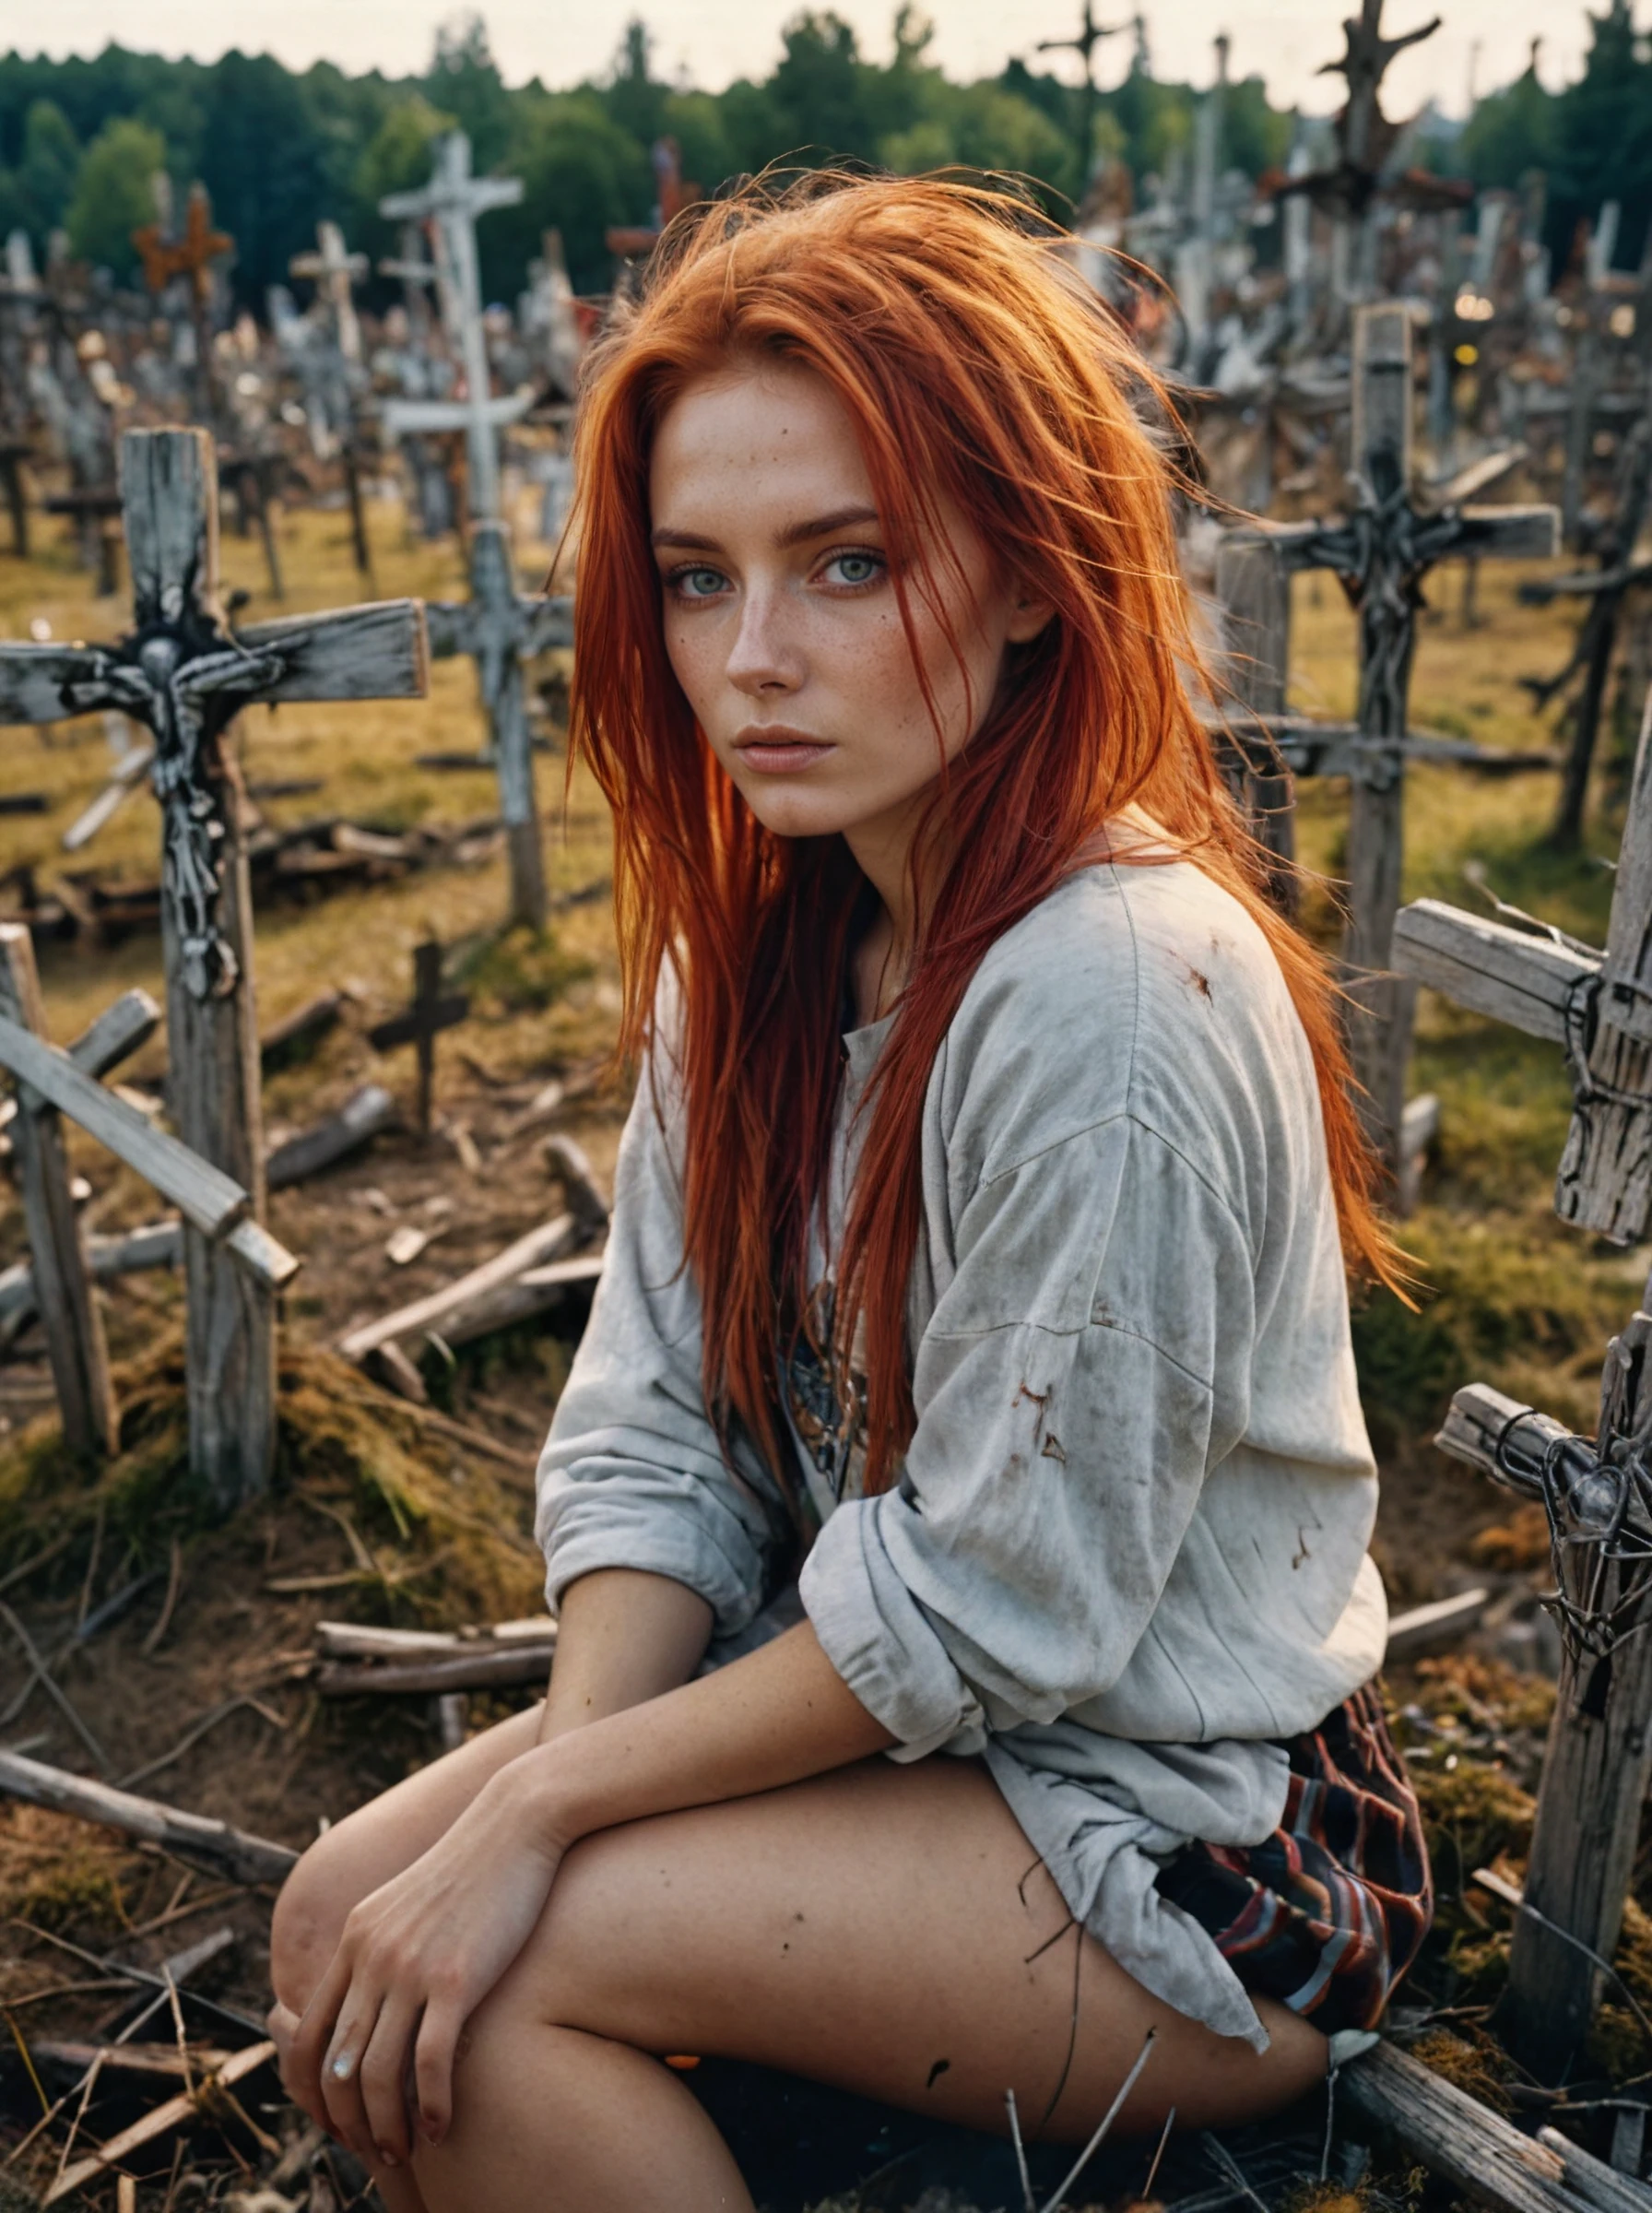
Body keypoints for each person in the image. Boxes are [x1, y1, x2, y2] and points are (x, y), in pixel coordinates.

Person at [268, 173, 1432, 2213]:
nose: (754, 662)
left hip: (1187, 1841)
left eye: (845, 561)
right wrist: (535, 1792)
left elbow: (998, 1606)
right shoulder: (759, 944)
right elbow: (653, 1439)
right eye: (698, 579)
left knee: (497, 1976)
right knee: (339, 1931)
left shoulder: (1111, 990)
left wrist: (544, 1822)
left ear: (1023, 568)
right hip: (906, 1746)